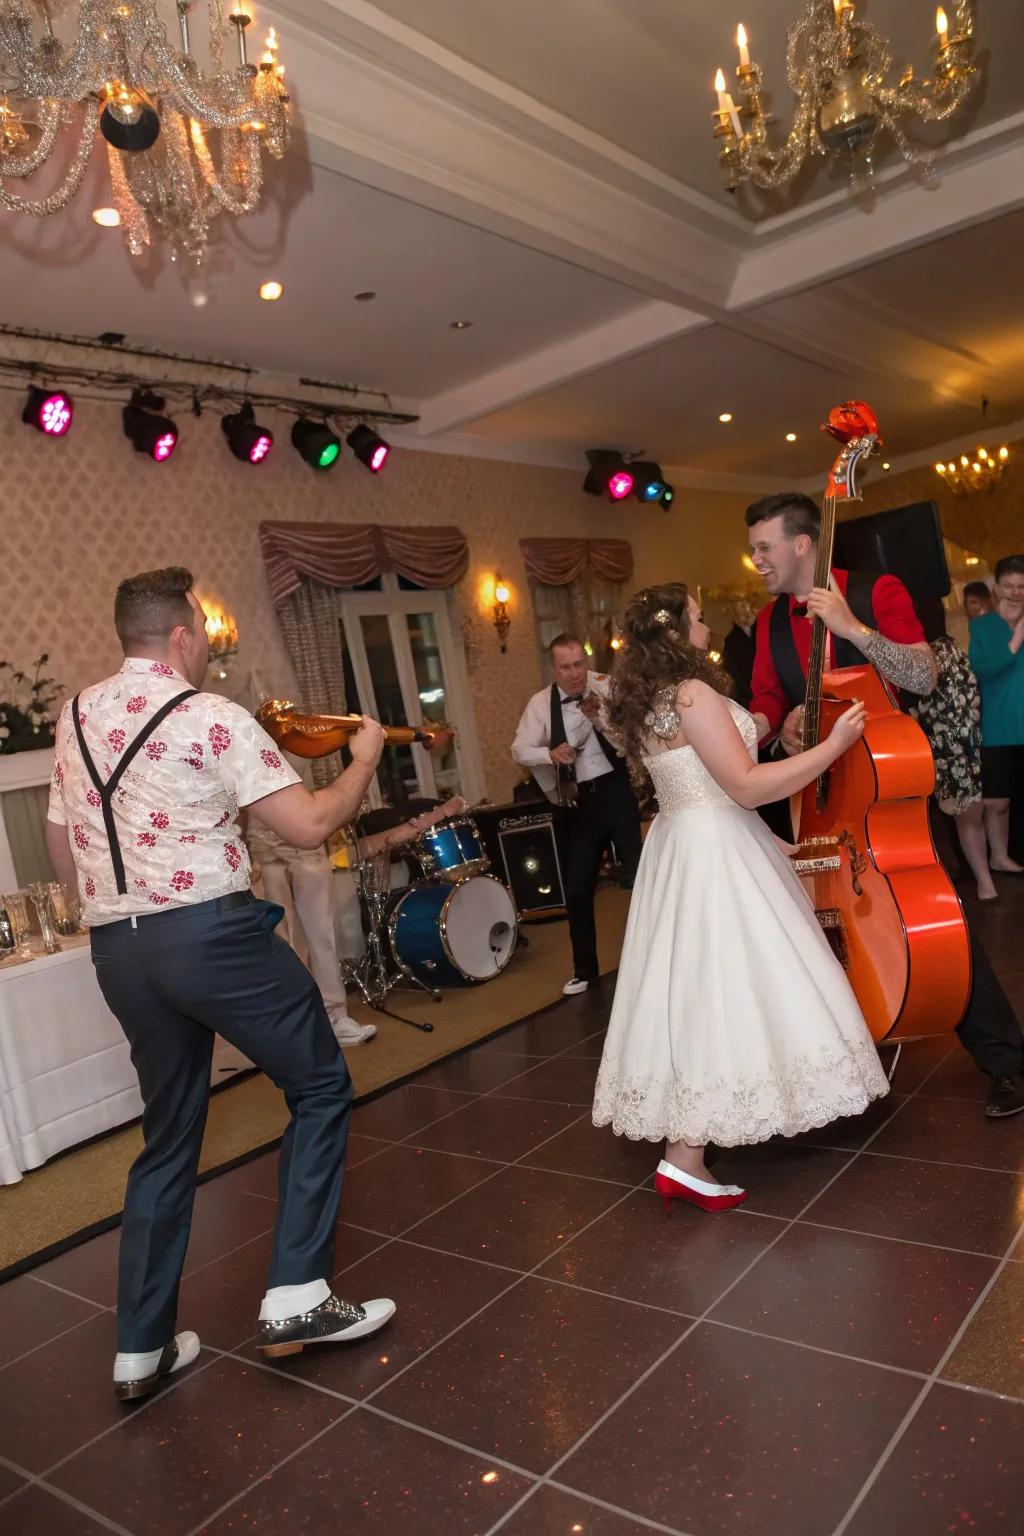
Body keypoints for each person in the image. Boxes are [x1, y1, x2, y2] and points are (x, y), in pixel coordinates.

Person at [44, 567, 396, 1403]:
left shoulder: (76, 716)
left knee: (168, 1137)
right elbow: (309, 824)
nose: (205, 641)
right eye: (201, 628)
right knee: (317, 1085)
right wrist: (363, 760)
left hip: (118, 949)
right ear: (179, 634)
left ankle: (141, 1346)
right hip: (210, 937)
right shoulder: (209, 715)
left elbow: (64, 853)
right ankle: (298, 1297)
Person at [592, 583, 887, 1212]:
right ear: (674, 633)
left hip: (689, 842)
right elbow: (746, 786)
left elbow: (702, 787)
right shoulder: (692, 693)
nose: (706, 628)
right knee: (727, 986)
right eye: (697, 620)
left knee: (700, 990)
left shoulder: (652, 699)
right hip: (711, 852)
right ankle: (686, 1155)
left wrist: (758, 837)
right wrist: (831, 748)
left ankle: (686, 1155)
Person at [745, 493, 1024, 1118]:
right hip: (817, 797)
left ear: (801, 544)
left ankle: (1007, 1060)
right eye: (753, 548)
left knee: (934, 917)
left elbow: (922, 675)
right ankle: (852, 1055)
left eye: (764, 546)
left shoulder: (874, 591)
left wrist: (854, 630)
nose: (756, 559)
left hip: (887, 786)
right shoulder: (768, 623)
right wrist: (775, 725)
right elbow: (765, 696)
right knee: (826, 929)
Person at [512, 634, 643, 995]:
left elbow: (631, 739)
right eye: (566, 667)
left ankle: (654, 962)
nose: (574, 674)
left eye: (579, 664)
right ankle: (585, 970)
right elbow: (520, 749)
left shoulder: (607, 687)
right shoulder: (540, 704)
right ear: (553, 669)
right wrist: (549, 755)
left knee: (640, 878)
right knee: (578, 888)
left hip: (616, 792)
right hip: (577, 803)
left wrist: (600, 719)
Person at [969, 554, 1024, 878]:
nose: (1016, 592)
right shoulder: (982, 626)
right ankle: (999, 857)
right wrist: (1016, 640)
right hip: (996, 726)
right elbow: (984, 670)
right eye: (1009, 585)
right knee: (997, 802)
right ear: (997, 588)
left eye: (1022, 586)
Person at [721, 598, 759, 709]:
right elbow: (733, 671)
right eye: (740, 609)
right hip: (748, 695)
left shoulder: (762, 629)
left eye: (746, 607)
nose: (745, 612)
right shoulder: (731, 640)